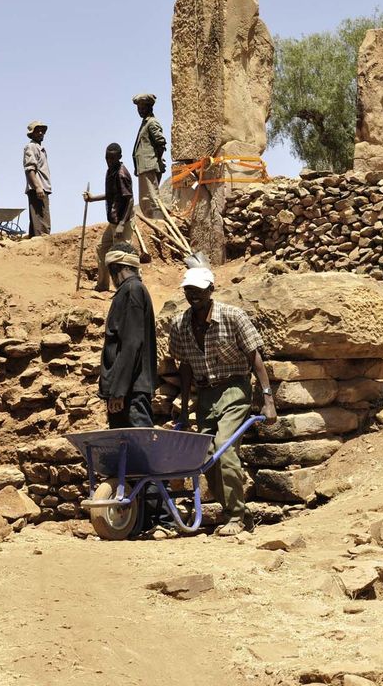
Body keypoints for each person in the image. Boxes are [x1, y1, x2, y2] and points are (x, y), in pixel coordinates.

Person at [169, 266, 277, 533]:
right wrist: (184, 409)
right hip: (205, 394)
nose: (193, 295)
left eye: (198, 290)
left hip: (234, 390)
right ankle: (239, 511)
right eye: (188, 290)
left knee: (224, 448)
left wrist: (268, 398)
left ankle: (234, 517)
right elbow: (184, 368)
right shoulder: (181, 324)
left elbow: (255, 358)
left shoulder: (232, 316)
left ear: (211, 290)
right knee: (206, 455)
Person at [98, 242, 157, 428]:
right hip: (126, 391)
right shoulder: (128, 291)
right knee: (126, 452)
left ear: (114, 267)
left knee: (141, 450)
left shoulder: (132, 290)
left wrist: (118, 390)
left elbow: (132, 343)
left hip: (131, 393)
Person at [83, 143, 135, 292]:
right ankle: (102, 285)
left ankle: (128, 289)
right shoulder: (111, 171)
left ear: (119, 157)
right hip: (114, 219)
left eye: (112, 158)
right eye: (107, 158)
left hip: (122, 221)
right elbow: (112, 195)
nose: (109, 161)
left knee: (122, 255)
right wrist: (92, 198)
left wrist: (121, 224)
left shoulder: (121, 174)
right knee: (102, 248)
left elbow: (130, 200)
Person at [131, 93, 167, 219]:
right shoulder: (145, 123)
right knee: (145, 198)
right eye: (138, 108)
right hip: (143, 166)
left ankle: (159, 221)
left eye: (142, 108)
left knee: (152, 197)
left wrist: (157, 160)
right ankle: (152, 221)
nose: (140, 111)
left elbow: (161, 143)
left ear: (149, 108)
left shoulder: (152, 123)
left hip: (149, 165)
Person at [23, 120, 52, 237]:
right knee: (42, 224)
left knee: (37, 222)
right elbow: (30, 169)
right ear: (32, 133)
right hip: (38, 188)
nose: (40, 133)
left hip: (42, 187)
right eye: (37, 131)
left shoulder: (39, 148)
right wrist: (38, 187)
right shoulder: (31, 147)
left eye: (42, 131)